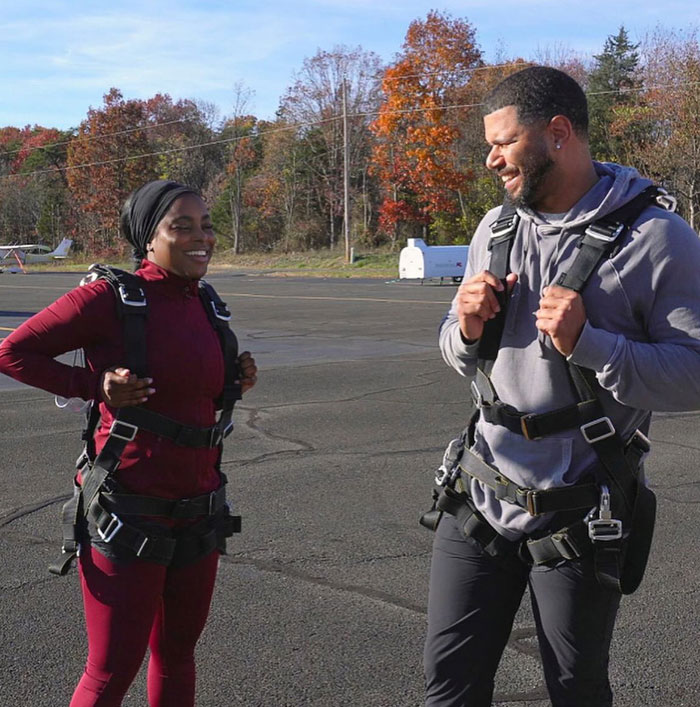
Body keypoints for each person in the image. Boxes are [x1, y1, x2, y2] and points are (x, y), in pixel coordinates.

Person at [424, 66, 700, 706]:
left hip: (581, 512)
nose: (491, 159)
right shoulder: (496, 228)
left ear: (557, 134)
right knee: (448, 689)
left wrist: (590, 343)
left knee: (576, 690)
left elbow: (693, 372)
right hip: (480, 494)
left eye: (503, 142)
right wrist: (463, 330)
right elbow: (456, 353)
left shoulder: (657, 239)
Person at [0, 180, 258, 706]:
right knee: (111, 670)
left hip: (198, 509)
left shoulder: (207, 303)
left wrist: (235, 379)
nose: (199, 237)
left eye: (205, 225)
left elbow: (188, 394)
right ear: (148, 238)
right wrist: (93, 386)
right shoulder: (109, 298)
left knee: (178, 655)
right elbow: (13, 353)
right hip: (127, 512)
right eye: (180, 226)